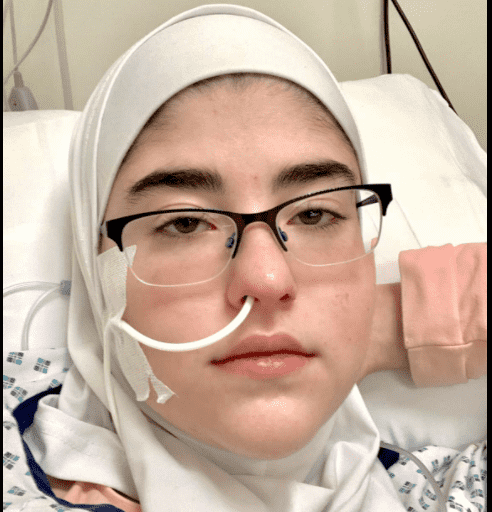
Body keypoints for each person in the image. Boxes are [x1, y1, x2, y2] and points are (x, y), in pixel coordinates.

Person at [4, 5, 486, 512]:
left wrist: (378, 324)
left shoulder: (444, 488)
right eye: (185, 223)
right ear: (95, 268)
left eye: (315, 214)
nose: (268, 278)